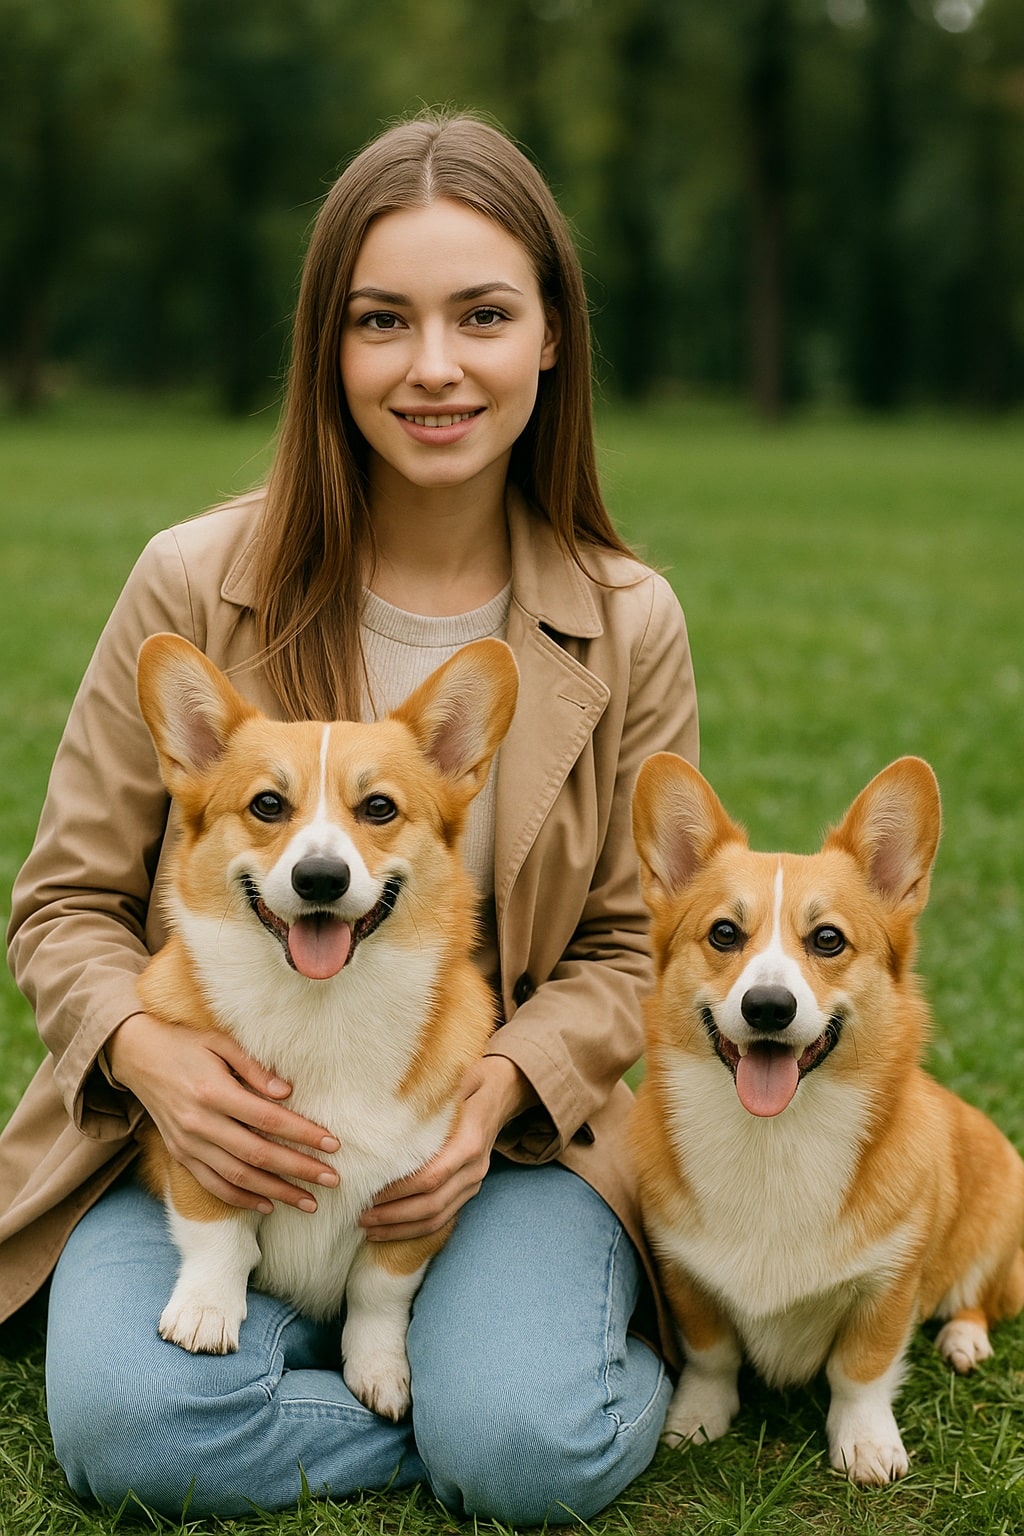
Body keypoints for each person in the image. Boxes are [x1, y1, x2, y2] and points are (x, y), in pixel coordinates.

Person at [0, 110, 698, 1526]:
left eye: (483, 316)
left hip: (492, 1154)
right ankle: (452, 1406)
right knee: (131, 1430)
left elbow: (638, 946)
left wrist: (497, 1090)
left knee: (528, 1453)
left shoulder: (626, 622)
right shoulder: (193, 579)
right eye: (384, 320)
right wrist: (152, 1057)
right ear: (331, 343)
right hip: (209, 1143)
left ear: (550, 337)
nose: (434, 366)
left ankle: (495, 1397)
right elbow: (63, 904)